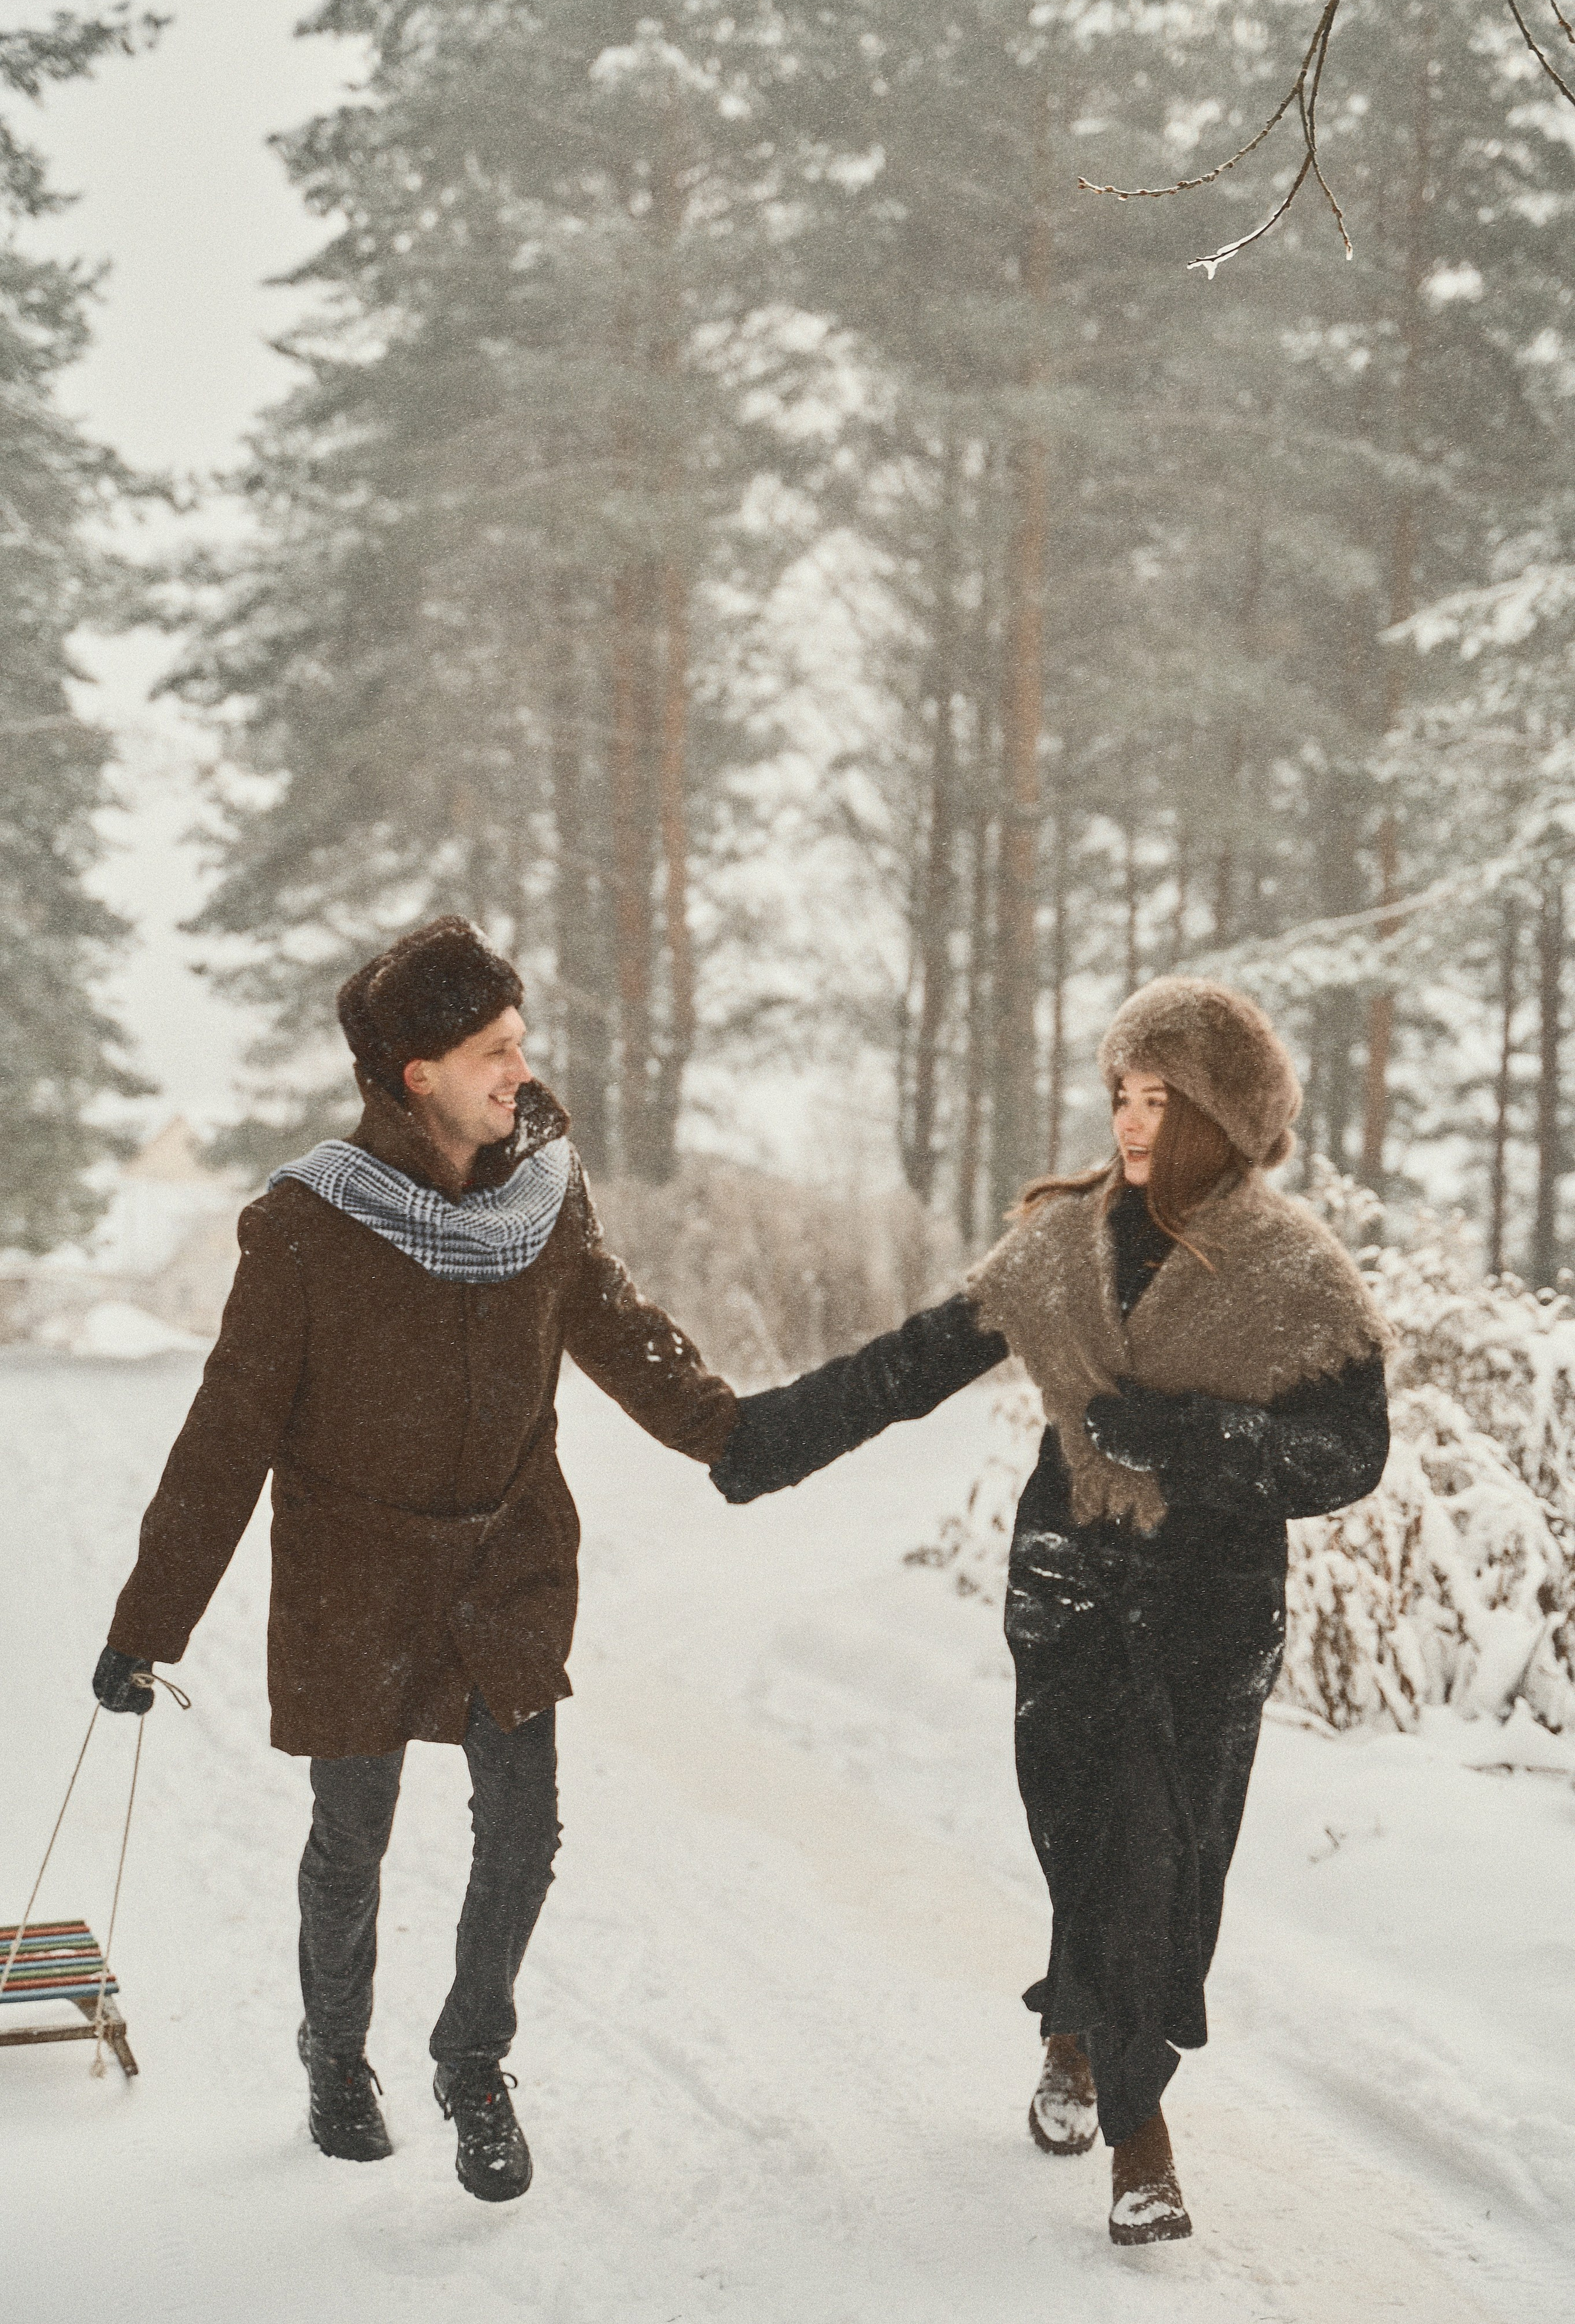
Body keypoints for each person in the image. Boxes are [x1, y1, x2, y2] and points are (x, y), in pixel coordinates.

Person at [709, 976, 1389, 2246]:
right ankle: (1105, 2085)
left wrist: (1190, 1439)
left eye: (1157, 1099)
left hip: (1207, 1616)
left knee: (1163, 1864)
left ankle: (1107, 2082)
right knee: (1089, 1840)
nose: (1130, 1124)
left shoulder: (1298, 1270)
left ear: (1221, 1115)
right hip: (1067, 1592)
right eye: (1120, 1095)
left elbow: (1349, 1453)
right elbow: (914, 1361)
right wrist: (760, 1439)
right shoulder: (1060, 1241)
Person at [93, 917, 737, 2202]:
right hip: (356, 1572)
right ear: (414, 1074)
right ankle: (336, 2056)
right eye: (491, 1049)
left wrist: (751, 1435)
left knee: (523, 1824)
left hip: (506, 1561)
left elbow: (622, 1333)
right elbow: (227, 1433)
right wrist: (146, 1625)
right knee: (354, 1829)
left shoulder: (542, 1195)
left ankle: (472, 2059)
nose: (518, 1070)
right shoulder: (305, 1222)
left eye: (518, 1043)